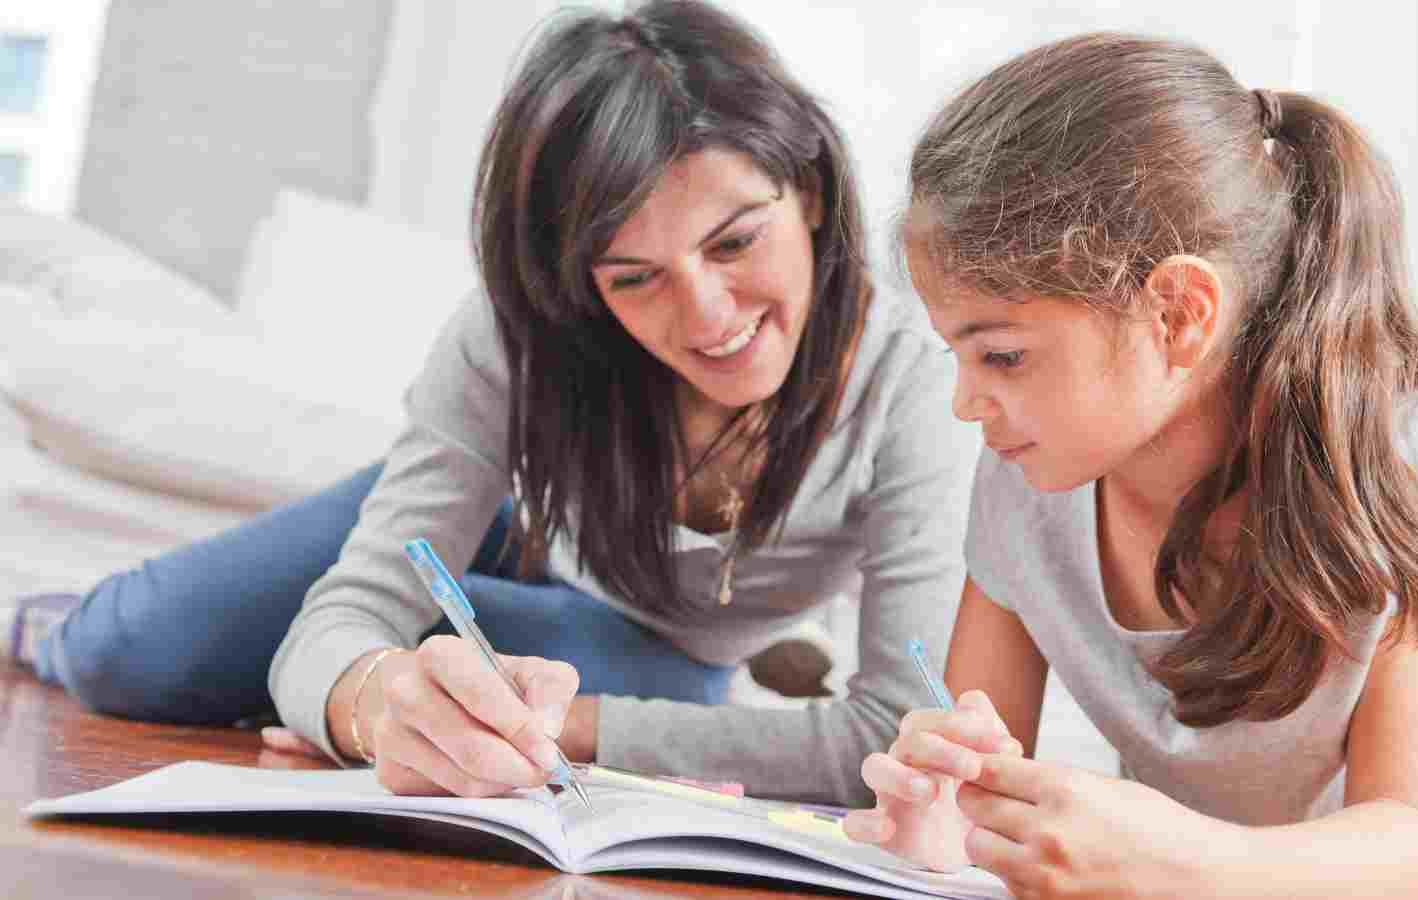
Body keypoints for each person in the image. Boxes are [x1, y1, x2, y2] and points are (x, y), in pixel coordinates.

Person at [2, 0, 978, 806]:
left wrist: (541, 718)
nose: (706, 314)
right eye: (633, 278)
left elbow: (893, 734)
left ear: (806, 190)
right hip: (507, 522)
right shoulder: (523, 335)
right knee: (132, 653)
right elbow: (350, 614)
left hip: (651, 643)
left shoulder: (914, 384)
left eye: (733, 243)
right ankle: (45, 622)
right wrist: (376, 704)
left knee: (592, 675)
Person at [841, 32, 1418, 899]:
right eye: (958, 357)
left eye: (1003, 356)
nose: (965, 404)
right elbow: (968, 788)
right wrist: (931, 819)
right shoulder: (1024, 475)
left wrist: (1167, 861)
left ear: (1178, 313)